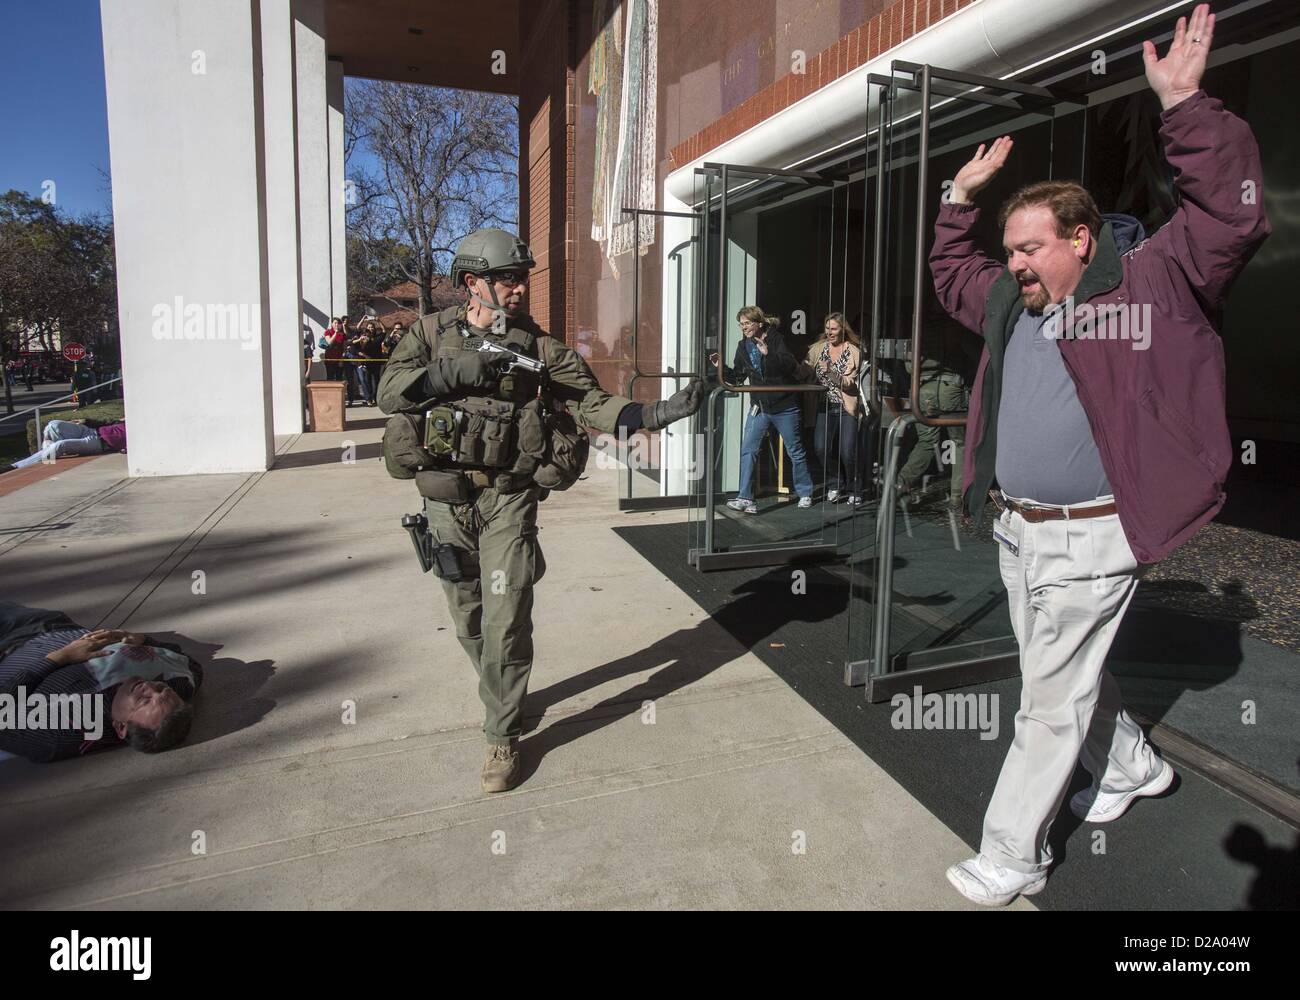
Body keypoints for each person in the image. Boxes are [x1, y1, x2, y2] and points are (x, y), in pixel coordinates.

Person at [929, 5, 1269, 906]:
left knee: (1047, 700)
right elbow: (954, 277)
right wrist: (959, 203)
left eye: (1030, 247)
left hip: (1090, 536)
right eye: (1010, 251)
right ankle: (1130, 766)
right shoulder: (1013, 302)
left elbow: (1230, 220)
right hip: (1017, 532)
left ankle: (1013, 853)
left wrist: (1187, 108)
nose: (1016, 265)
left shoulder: (1153, 279)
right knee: (1070, 678)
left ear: (1081, 240)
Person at [378, 228, 704, 794]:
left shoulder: (539, 349)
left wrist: (656, 414)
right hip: (446, 498)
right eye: (507, 279)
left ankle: (501, 734)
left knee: (507, 616)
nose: (519, 289)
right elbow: (388, 393)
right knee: (469, 616)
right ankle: (504, 696)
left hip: (509, 495)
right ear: (471, 282)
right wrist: (443, 374)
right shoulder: (429, 334)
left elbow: (593, 404)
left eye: (521, 279)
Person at [0, 601, 201, 763]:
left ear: (121, 727)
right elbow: (189, 663)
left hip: (11, 643)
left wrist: (59, 658)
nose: (150, 687)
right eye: (162, 689)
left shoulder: (64, 727)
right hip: (52, 625)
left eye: (144, 700)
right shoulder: (176, 692)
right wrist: (143, 640)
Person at [708, 307, 815, 514]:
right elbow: (738, 378)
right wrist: (721, 367)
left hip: (784, 406)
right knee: (748, 449)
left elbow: (790, 368)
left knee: (795, 450)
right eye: (741, 324)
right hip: (760, 407)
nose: (744, 327)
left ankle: (805, 493)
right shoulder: (743, 346)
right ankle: (746, 497)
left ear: (758, 322)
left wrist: (769, 354)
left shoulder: (776, 339)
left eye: (747, 323)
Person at [807, 313, 868, 507]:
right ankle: (835, 483)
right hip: (824, 406)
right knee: (820, 448)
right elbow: (804, 370)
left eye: (833, 329)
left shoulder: (853, 351)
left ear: (843, 330)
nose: (829, 332)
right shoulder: (818, 349)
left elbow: (850, 384)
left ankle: (854, 488)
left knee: (847, 451)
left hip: (846, 407)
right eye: (827, 328)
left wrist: (832, 372)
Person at [1, 418, 127, 473]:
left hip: (98, 443)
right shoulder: (128, 419)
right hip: (90, 431)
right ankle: (48, 455)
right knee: (53, 424)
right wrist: (85, 421)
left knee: (60, 445)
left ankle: (15, 466)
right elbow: (107, 422)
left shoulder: (140, 432)